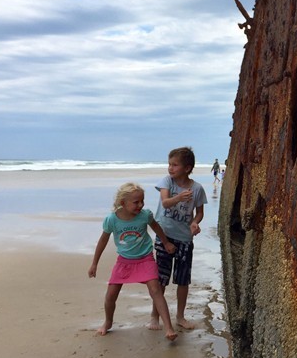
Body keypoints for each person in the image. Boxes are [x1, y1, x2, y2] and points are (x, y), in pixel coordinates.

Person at [88, 182, 178, 341]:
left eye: (142, 201)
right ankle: (108, 322)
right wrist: (94, 263)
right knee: (110, 295)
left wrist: (166, 243)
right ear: (123, 203)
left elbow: (157, 228)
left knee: (156, 290)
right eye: (136, 202)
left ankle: (169, 328)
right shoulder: (112, 220)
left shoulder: (145, 215)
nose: (140, 205)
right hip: (124, 262)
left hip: (145, 259)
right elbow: (102, 241)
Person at [150, 146, 208, 330]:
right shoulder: (167, 181)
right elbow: (166, 203)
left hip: (184, 239)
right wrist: (179, 198)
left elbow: (199, 213)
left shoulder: (197, 188)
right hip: (164, 236)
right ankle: (154, 316)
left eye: (175, 165)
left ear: (187, 168)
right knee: (161, 279)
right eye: (169, 164)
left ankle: (180, 317)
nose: (170, 168)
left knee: (183, 280)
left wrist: (195, 223)